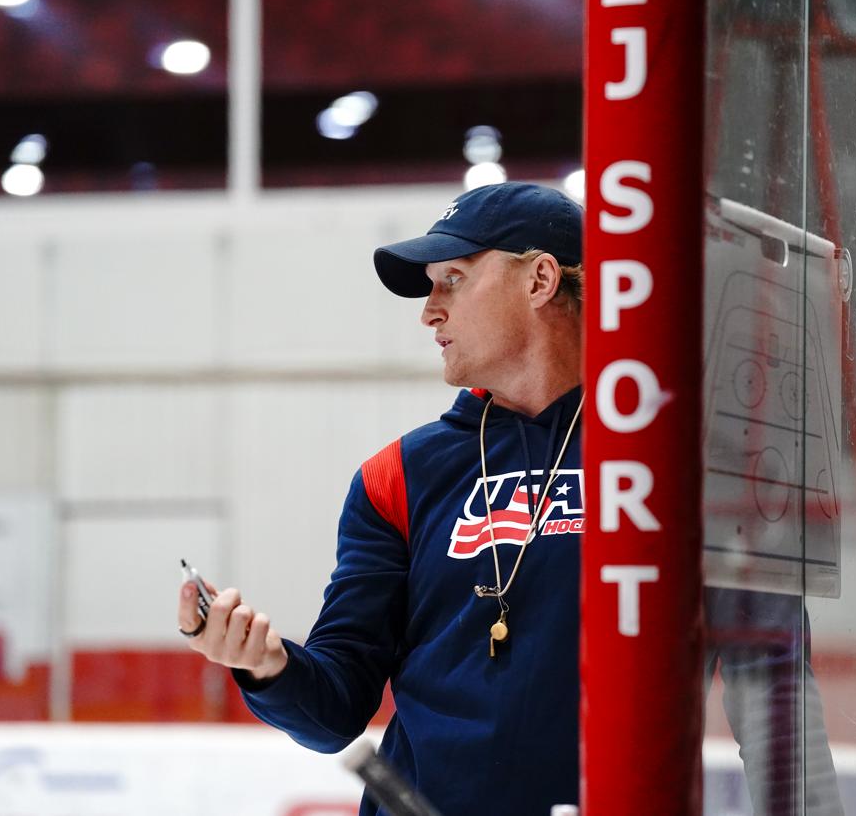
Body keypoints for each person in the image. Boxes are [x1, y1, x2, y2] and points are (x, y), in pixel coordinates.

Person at [177, 182, 586, 816]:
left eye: (452, 280)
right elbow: (335, 712)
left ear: (539, 280)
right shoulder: (396, 475)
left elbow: (746, 662)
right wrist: (267, 667)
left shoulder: (662, 457)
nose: (429, 313)